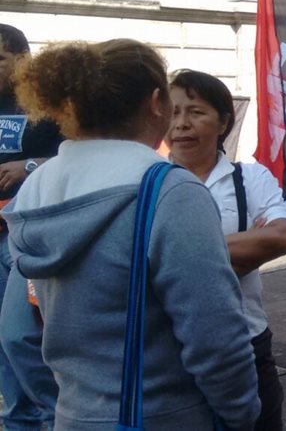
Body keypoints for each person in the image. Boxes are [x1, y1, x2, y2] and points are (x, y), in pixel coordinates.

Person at [4, 39, 259, 429]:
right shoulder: (169, 190)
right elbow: (215, 336)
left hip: (72, 416)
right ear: (157, 102)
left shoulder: (37, 185)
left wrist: (58, 407)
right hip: (164, 416)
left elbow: (18, 334)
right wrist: (242, 413)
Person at [167, 70, 286, 431]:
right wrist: (244, 247)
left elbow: (280, 237)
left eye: (195, 112)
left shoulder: (249, 178)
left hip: (246, 341)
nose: (181, 124)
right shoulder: (148, 182)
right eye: (173, 112)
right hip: (169, 348)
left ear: (224, 122)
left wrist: (175, 255)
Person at [0, 24, 60, 431]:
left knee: (22, 334)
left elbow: (80, 154)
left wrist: (30, 166)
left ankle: (57, 415)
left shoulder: (48, 105)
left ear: (23, 59)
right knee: (4, 340)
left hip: (28, 236)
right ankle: (20, 420)